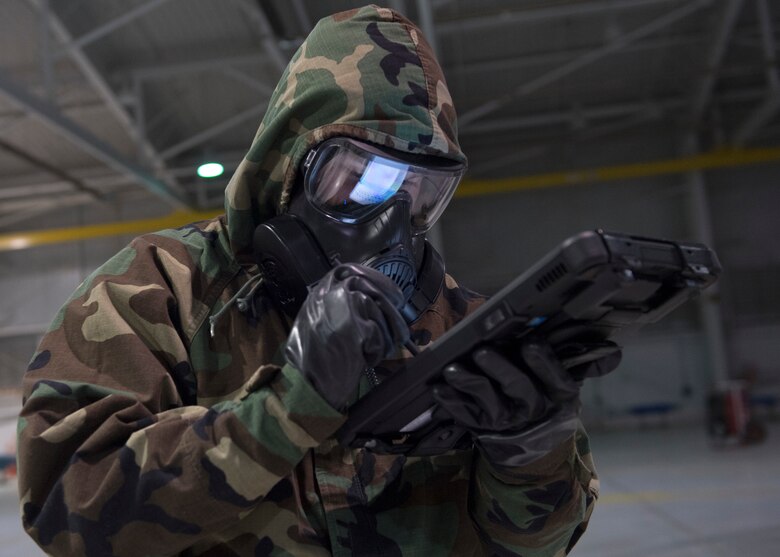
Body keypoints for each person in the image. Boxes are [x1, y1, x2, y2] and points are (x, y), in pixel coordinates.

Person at [17, 6, 620, 556]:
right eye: (363, 181)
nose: (390, 224)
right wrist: (289, 404)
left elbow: (537, 548)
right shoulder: (157, 291)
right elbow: (68, 510)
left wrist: (531, 450)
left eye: (419, 195)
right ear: (288, 165)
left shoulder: (461, 331)